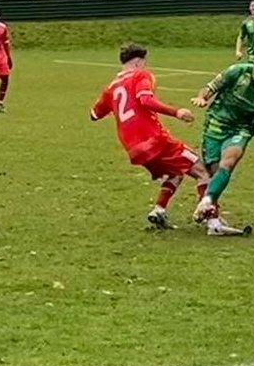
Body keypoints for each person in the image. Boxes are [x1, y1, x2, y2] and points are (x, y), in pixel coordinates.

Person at [89, 43, 211, 230]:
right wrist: (176, 112)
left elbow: (94, 115)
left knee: (174, 173)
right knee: (202, 172)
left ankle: (159, 210)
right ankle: (214, 221)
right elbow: (145, 100)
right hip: (155, 141)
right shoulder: (141, 75)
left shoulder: (112, 87)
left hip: (134, 149)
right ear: (139, 62)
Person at [190, 52, 254, 235]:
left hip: (241, 130)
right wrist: (203, 97)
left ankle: (206, 201)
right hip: (215, 125)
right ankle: (213, 222)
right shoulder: (237, 72)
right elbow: (211, 86)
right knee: (213, 172)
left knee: (228, 162)